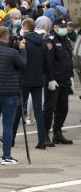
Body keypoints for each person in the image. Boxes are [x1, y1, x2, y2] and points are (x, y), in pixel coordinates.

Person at [0, 26, 26, 164]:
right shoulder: (12, 53)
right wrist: (23, 51)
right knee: (7, 125)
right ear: (7, 37)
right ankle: (6, 156)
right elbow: (24, 67)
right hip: (9, 92)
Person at [10, 19, 49, 149]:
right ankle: (42, 140)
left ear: (25, 27)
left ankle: (11, 139)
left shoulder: (23, 42)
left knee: (18, 109)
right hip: (38, 79)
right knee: (38, 110)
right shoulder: (42, 42)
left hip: (25, 79)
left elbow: (18, 61)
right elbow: (47, 63)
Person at [44, 17, 74, 146]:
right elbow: (48, 62)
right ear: (55, 28)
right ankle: (44, 134)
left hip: (65, 79)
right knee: (49, 108)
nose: (64, 29)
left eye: (64, 27)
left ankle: (58, 133)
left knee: (63, 108)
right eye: (61, 27)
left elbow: (69, 59)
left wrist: (71, 75)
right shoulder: (50, 41)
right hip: (54, 80)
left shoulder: (66, 40)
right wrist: (50, 79)